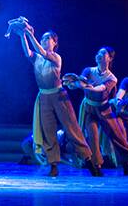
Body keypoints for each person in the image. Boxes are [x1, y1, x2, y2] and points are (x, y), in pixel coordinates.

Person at [16, 23, 99, 177]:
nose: (44, 40)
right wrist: (23, 35)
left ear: (55, 43)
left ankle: (88, 160)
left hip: (59, 96)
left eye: (48, 38)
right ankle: (53, 164)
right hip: (44, 97)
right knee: (48, 131)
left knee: (72, 129)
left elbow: (41, 52)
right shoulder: (37, 59)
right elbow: (28, 52)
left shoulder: (56, 57)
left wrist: (30, 34)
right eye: (43, 38)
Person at [65, 47, 128, 175]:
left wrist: (88, 86)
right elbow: (81, 82)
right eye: (98, 53)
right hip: (88, 108)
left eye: (103, 53)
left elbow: (101, 88)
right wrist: (74, 83)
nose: (99, 55)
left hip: (104, 108)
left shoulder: (112, 78)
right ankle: (96, 165)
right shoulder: (88, 70)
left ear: (109, 58)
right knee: (92, 136)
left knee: (117, 136)